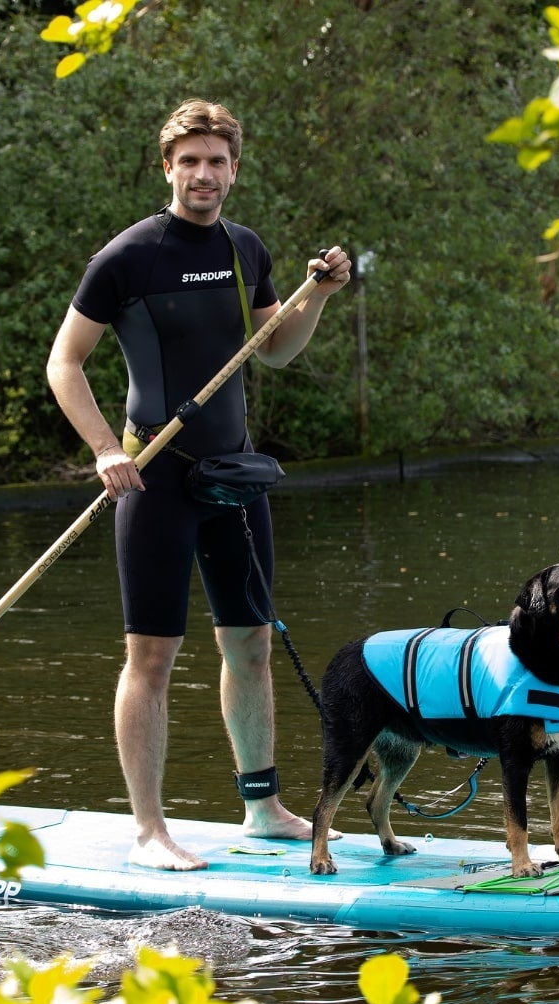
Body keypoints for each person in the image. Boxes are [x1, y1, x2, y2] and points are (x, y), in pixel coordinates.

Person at [46, 99, 351, 871]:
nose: (204, 174)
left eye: (217, 161)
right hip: (153, 479)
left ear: (234, 169)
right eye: (191, 161)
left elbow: (274, 350)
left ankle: (263, 808)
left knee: (249, 644)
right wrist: (106, 450)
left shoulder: (247, 250)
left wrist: (316, 295)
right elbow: (65, 363)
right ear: (167, 168)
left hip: (234, 476)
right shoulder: (128, 258)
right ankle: (149, 830)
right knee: (151, 657)